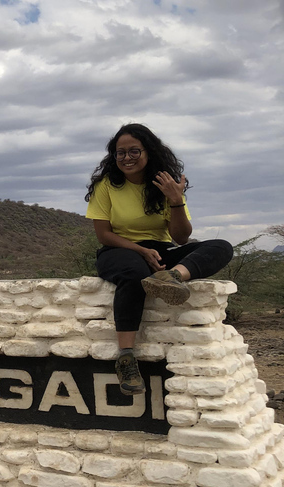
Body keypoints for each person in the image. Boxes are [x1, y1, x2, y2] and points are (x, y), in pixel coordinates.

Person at [85, 123, 233, 395]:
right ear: (113, 156)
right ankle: (127, 358)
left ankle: (172, 277)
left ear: (148, 152)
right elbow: (104, 234)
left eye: (133, 151)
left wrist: (176, 200)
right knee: (133, 273)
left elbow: (181, 237)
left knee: (221, 246)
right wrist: (140, 251)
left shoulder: (165, 184)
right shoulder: (106, 185)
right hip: (119, 250)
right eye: (120, 153)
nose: (126, 158)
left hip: (162, 251)